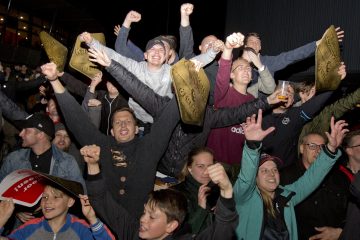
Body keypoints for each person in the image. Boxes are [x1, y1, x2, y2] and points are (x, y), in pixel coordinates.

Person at [86, 46, 284, 178]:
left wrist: (266, 101)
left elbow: (238, 112)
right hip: (158, 172)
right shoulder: (163, 106)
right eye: (185, 86)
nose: (190, 91)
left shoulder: (209, 115)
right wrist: (111, 66)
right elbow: (137, 88)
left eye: (195, 87)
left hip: (189, 177)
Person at [42, 61, 180, 219]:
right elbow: (77, 120)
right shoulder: (102, 144)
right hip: (102, 223)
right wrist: (54, 81)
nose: (123, 124)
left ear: (136, 129)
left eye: (128, 121)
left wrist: (183, 88)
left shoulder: (149, 146)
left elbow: (167, 121)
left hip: (138, 225)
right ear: (112, 131)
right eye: (117, 122)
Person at [82, 144, 238, 240]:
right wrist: (93, 166)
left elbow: (221, 233)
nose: (143, 219)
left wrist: (226, 190)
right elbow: (101, 200)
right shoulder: (133, 232)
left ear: (171, 226)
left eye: (152, 216)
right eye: (145, 213)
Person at [234, 109, 347, 240]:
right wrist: (252, 146)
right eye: (264, 170)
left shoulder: (286, 197)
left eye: (274, 170)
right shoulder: (245, 198)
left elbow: (311, 179)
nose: (271, 174)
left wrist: (331, 149)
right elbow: (246, 178)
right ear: (255, 177)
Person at [81, 31, 217, 125]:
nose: (157, 52)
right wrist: (92, 42)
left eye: (161, 50)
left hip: (161, 122)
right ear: (145, 55)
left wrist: (213, 52)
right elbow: (116, 56)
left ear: (166, 56)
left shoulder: (173, 71)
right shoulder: (136, 67)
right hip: (137, 121)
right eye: (153, 49)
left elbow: (193, 63)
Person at [206, 32, 275, 165]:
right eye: (240, 68)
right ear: (231, 74)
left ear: (251, 77)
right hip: (217, 164)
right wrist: (228, 48)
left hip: (240, 166)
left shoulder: (252, 100)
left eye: (249, 69)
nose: (246, 71)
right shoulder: (223, 93)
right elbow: (223, 71)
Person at [261, 62, 346, 167]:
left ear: (293, 100)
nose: (286, 94)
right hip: (262, 170)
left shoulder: (294, 115)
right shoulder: (261, 113)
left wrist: (334, 81)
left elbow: (316, 104)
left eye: (290, 93)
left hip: (286, 171)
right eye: (282, 91)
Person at [281, 133, 351, 240]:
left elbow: (351, 211)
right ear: (301, 148)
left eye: (322, 147)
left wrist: (341, 232)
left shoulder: (339, 177)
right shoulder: (285, 177)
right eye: (312, 146)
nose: (318, 150)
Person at [0, 175, 115, 239]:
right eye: (44, 197)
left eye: (55, 197)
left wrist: (92, 218)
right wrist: (1, 220)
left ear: (70, 202)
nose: (48, 202)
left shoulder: (81, 229)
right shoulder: (30, 228)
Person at [242, 27, 344, 88]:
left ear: (260, 47)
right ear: (245, 46)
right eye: (252, 42)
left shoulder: (268, 62)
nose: (255, 44)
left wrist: (319, 43)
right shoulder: (235, 64)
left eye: (258, 43)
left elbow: (292, 55)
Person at [171, 147, 220, 234]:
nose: (206, 172)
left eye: (210, 166)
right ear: (190, 169)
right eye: (200, 166)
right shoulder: (175, 194)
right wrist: (201, 209)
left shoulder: (217, 191)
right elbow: (182, 234)